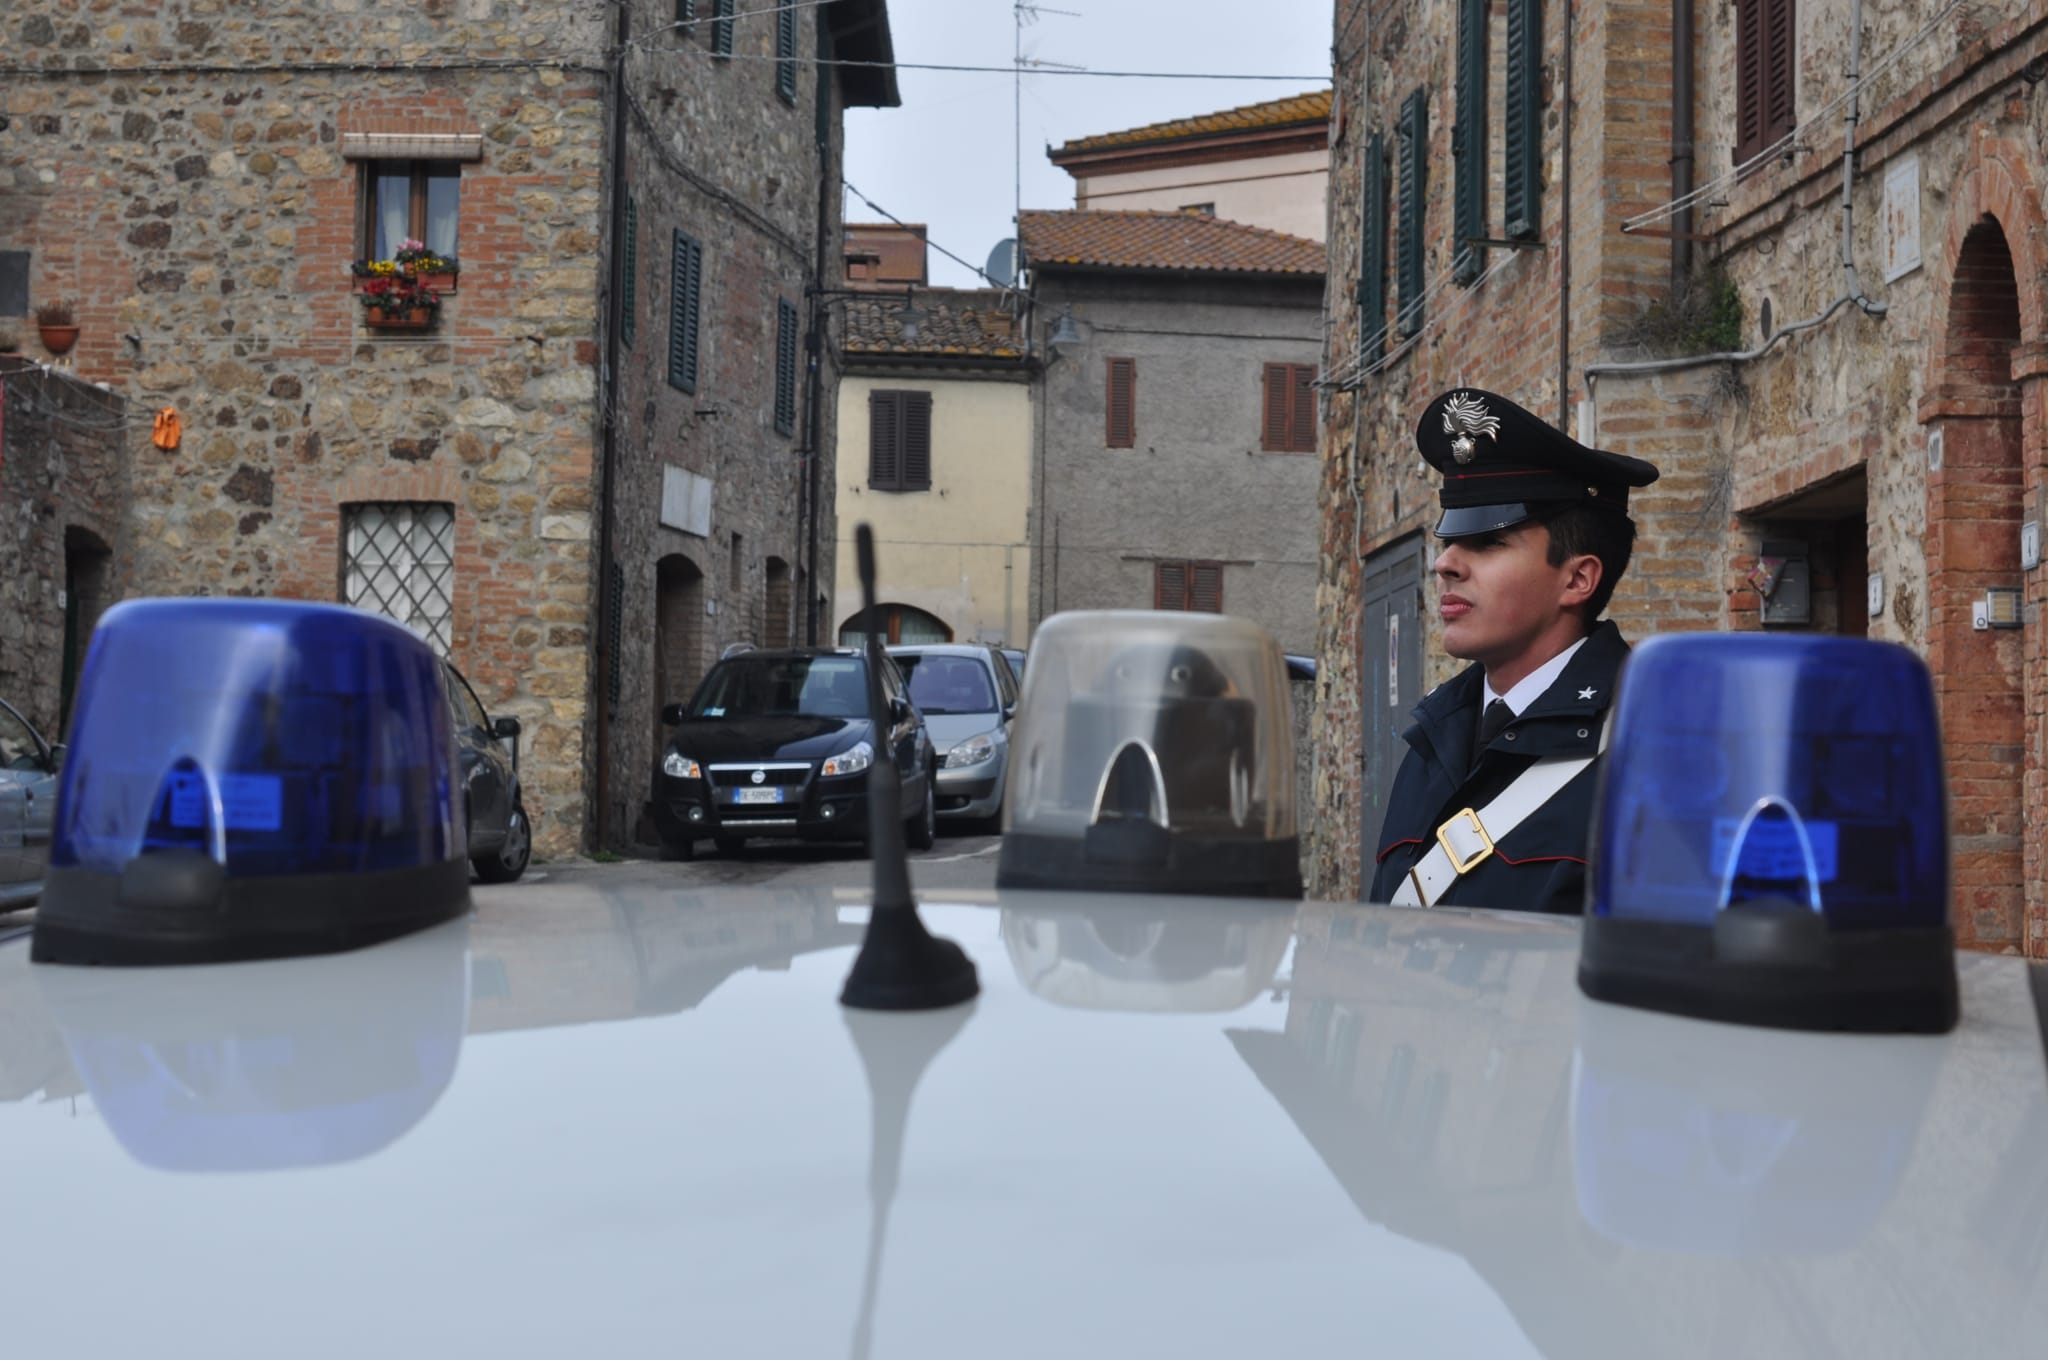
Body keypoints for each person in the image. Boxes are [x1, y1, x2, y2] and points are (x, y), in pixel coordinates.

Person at [1368, 388, 1659, 914]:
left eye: (1488, 543)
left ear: (1577, 580)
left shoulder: (1650, 747)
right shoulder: (1434, 736)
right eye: (1449, 542)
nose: (1446, 565)